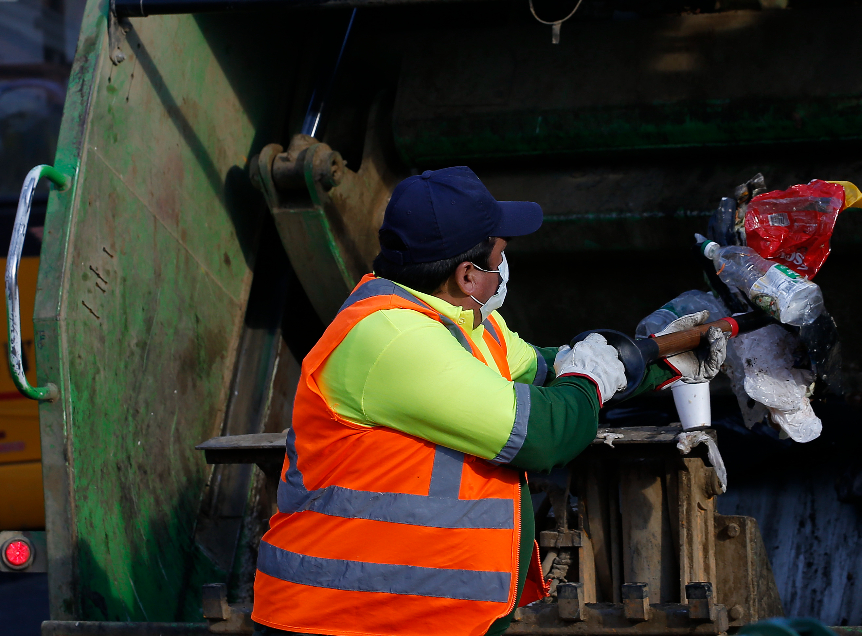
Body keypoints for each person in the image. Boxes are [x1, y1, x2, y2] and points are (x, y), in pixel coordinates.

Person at [250, 166, 726, 636]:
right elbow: (545, 433)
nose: (504, 267)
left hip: (413, 617)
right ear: (467, 275)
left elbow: (556, 371)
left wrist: (661, 361)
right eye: (499, 254)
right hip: (337, 620)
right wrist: (592, 375)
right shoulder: (391, 338)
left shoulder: (466, 321)